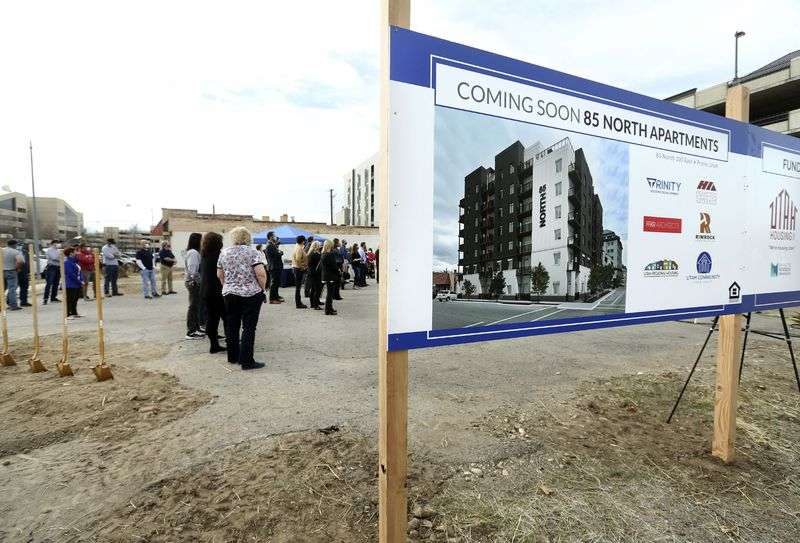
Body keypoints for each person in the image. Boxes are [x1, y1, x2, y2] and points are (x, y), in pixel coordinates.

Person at [217, 227, 267, 370]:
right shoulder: (253, 252)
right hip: (251, 294)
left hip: (229, 294)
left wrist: (227, 286)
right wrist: (262, 289)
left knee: (232, 326)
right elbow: (261, 274)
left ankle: (233, 357)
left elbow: (220, 274)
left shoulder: (224, 253)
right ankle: (246, 361)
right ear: (247, 238)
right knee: (249, 328)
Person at [200, 232, 226, 353]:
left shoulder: (204, 254)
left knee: (211, 318)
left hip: (206, 290)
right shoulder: (218, 255)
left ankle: (214, 345)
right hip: (217, 291)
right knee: (227, 317)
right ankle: (231, 341)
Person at [184, 233, 203, 339]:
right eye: (201, 240)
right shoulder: (193, 253)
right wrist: (199, 281)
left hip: (194, 282)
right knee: (193, 307)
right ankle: (191, 331)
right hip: (193, 283)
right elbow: (193, 271)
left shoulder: (194, 252)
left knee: (196, 306)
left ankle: (196, 328)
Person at [63, 246, 84, 319]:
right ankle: (67, 314)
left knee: (75, 299)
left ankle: (74, 312)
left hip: (77, 283)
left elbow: (79, 272)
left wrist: (81, 280)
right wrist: (79, 282)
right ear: (71, 253)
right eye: (75, 251)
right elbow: (71, 274)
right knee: (69, 299)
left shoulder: (75, 262)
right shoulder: (67, 262)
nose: (76, 252)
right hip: (70, 284)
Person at [3, 240, 23, 311]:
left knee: (1, 288)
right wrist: (17, 268)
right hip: (11, 271)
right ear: (14, 245)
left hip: (1, 271)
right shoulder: (15, 251)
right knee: (12, 288)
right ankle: (13, 305)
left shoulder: (2, 250)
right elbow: (20, 261)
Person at [321, 240, 339, 315]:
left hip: (326, 275)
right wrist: (338, 270)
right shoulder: (330, 254)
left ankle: (329, 308)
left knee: (329, 293)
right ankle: (328, 310)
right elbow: (334, 265)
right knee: (329, 294)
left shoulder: (323, 254)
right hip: (331, 276)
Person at [266, 231, 284, 304]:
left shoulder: (273, 244)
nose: (275, 237)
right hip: (274, 267)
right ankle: (272, 299)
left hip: (277, 266)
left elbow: (277, 253)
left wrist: (279, 252)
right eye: (274, 236)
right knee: (274, 283)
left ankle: (276, 296)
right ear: (271, 237)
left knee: (276, 283)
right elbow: (276, 255)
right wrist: (280, 253)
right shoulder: (269, 245)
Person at [291, 235, 308, 309]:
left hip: (297, 268)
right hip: (298, 269)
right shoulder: (299, 248)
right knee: (298, 287)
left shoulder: (297, 246)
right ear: (303, 241)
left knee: (298, 287)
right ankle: (298, 303)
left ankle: (299, 302)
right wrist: (302, 267)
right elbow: (298, 259)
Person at [43, 239, 62, 304]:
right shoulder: (50, 250)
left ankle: (53, 298)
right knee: (49, 283)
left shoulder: (58, 250)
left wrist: (60, 258)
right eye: (57, 243)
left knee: (56, 283)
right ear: (53, 243)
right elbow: (54, 258)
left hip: (58, 267)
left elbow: (63, 258)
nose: (58, 244)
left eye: (58, 243)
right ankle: (45, 298)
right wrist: (60, 258)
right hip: (51, 267)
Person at [306, 241, 323, 310]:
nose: (321, 246)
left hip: (312, 273)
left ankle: (313, 303)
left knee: (313, 289)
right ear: (317, 246)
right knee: (317, 289)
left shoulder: (311, 253)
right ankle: (315, 305)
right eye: (319, 245)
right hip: (316, 273)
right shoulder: (315, 254)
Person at [17, 243, 30, 307]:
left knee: (25, 286)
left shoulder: (25, 252)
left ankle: (24, 301)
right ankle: (10, 301)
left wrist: (28, 270)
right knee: (13, 287)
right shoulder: (15, 252)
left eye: (21, 245)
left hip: (24, 271)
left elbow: (28, 261)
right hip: (16, 271)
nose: (20, 247)